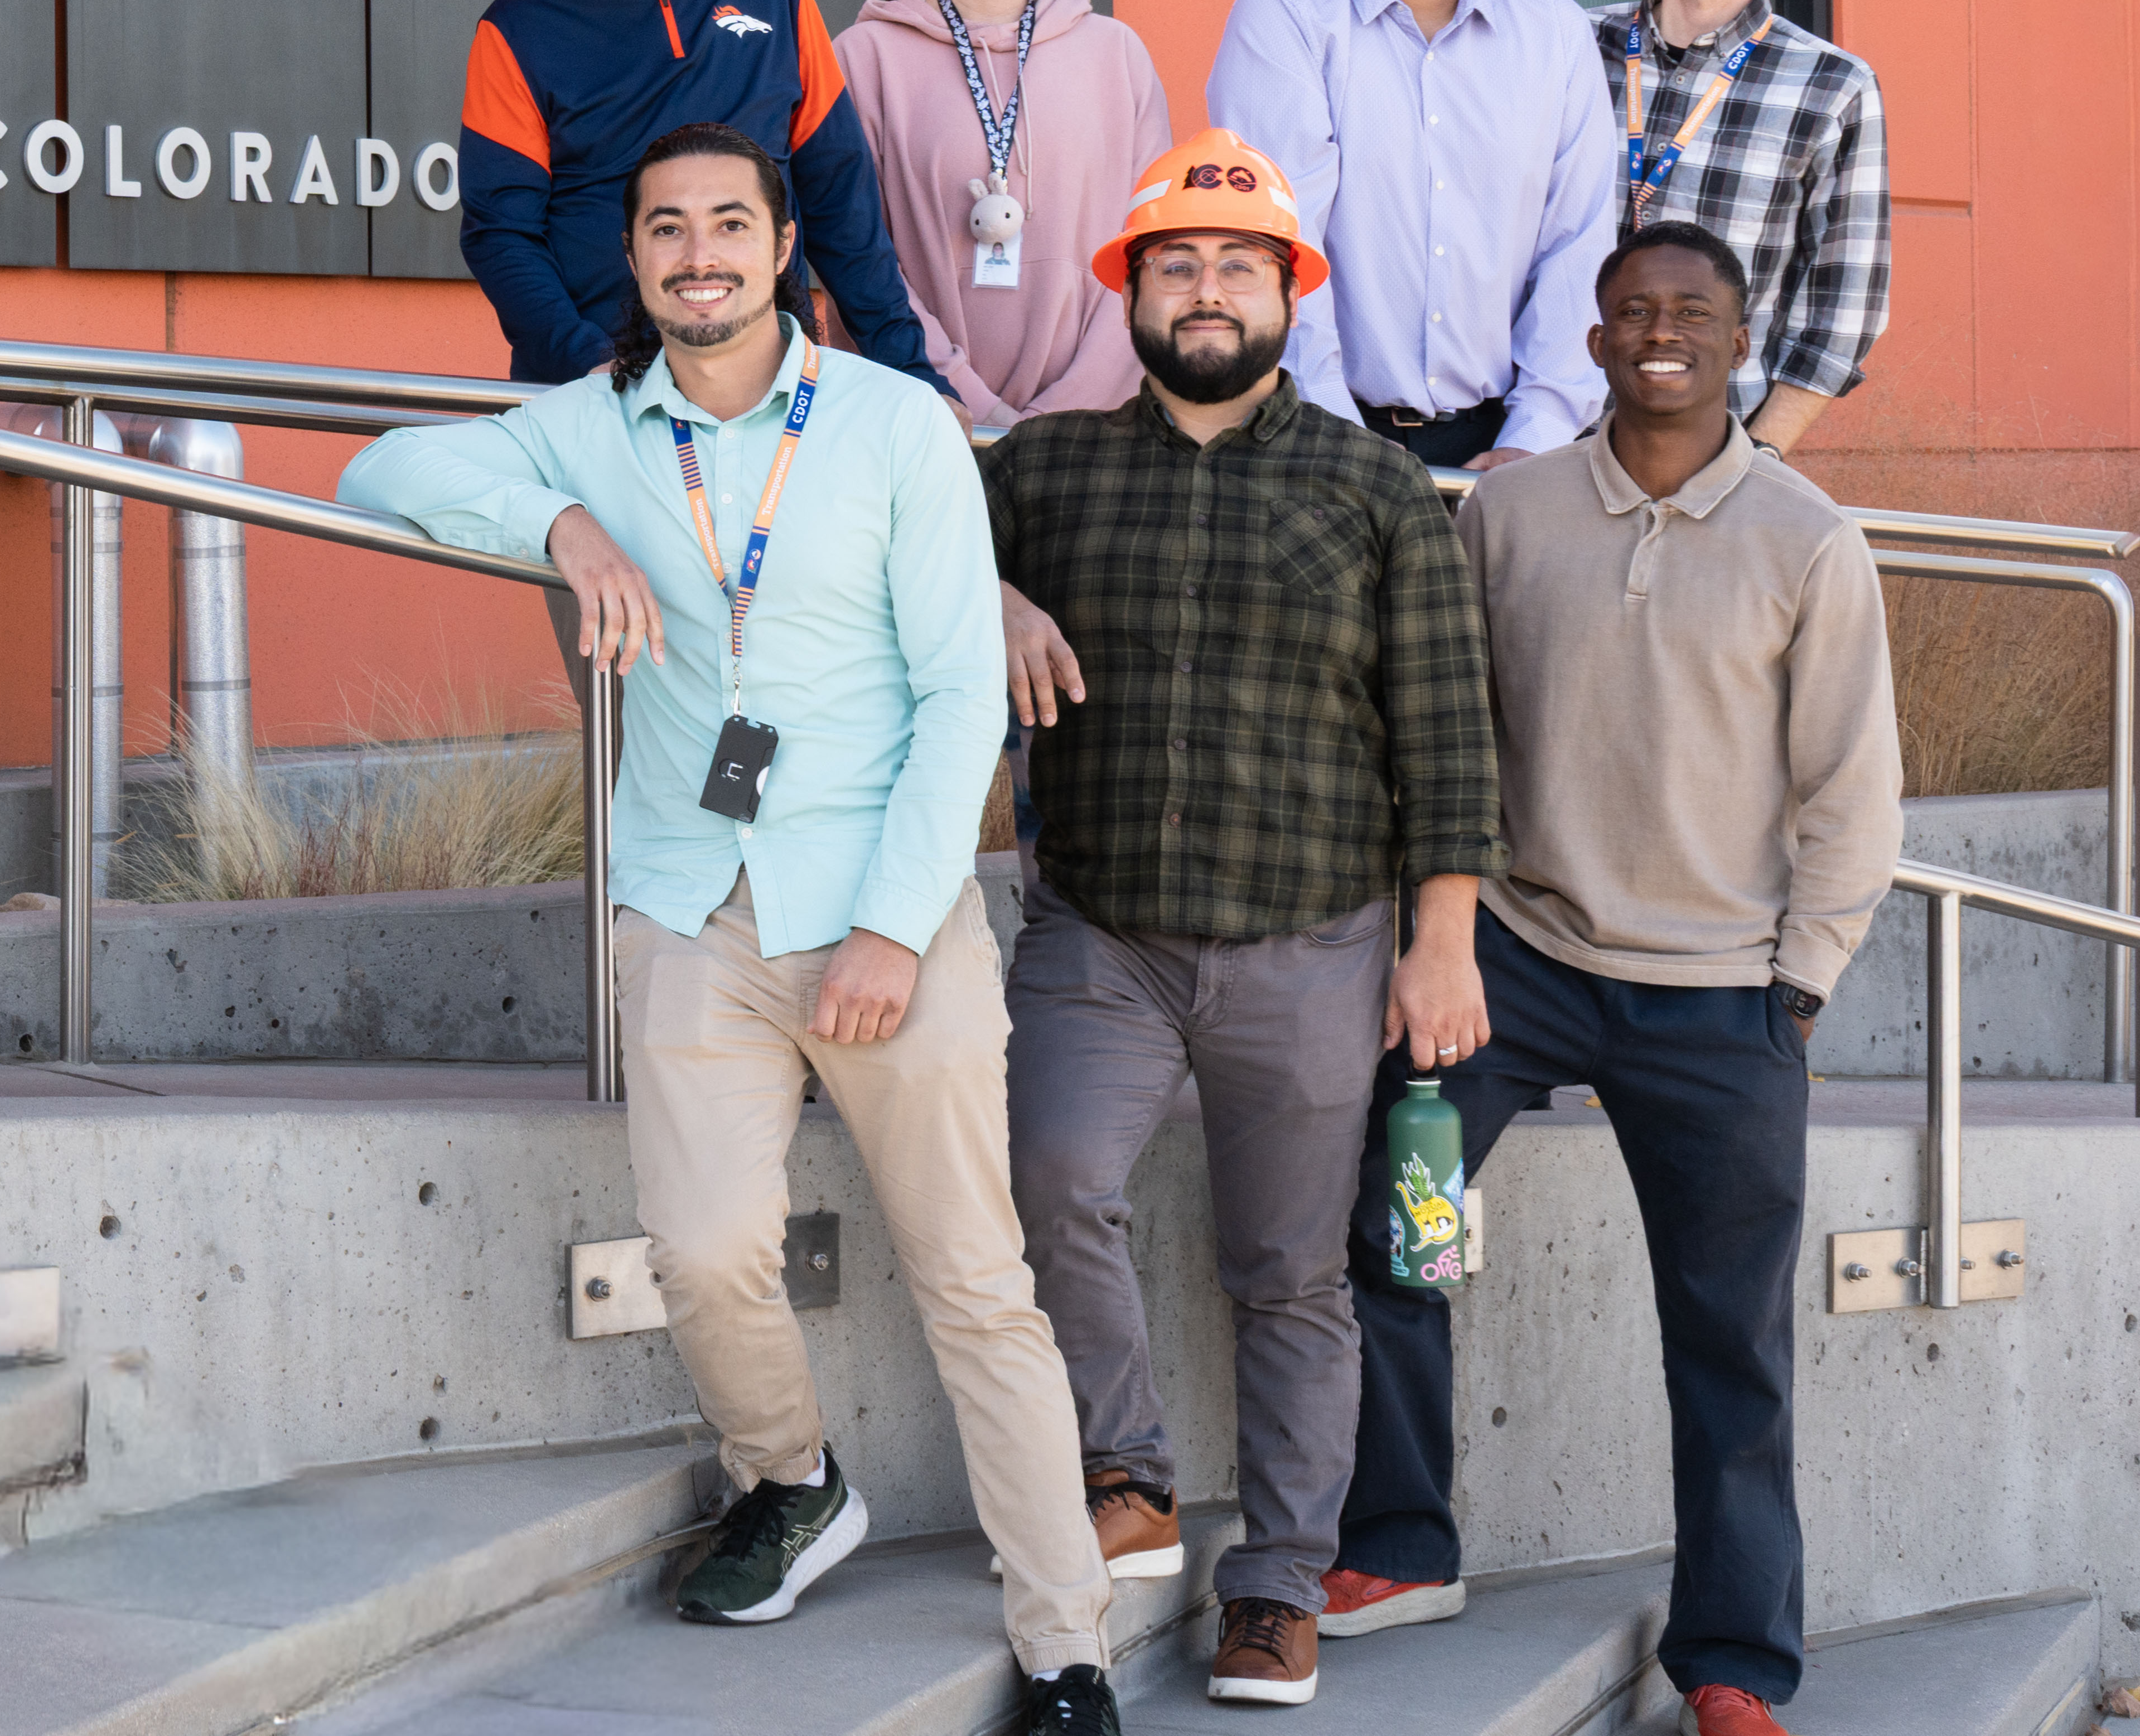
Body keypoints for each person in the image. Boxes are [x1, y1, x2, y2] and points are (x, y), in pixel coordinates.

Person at [342, 124, 1123, 1736]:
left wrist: (896, 931)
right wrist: (557, 530)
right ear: (630, 260)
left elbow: (957, 688)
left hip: (881, 914)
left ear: (782, 249)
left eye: (727, 225)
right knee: (699, 1251)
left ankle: (1065, 1651)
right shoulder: (590, 428)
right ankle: (791, 1477)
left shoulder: (891, 423)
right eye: (662, 229)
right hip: (693, 900)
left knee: (976, 1282)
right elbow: (380, 474)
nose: (696, 253)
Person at [1327, 221, 1899, 1736]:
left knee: (1726, 1339)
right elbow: (1435, 736)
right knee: (1402, 1235)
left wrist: (1800, 983)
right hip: (1510, 973)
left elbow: (1851, 790)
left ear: (1735, 340)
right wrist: (1428, 932)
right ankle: (1398, 1540)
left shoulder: (1804, 537)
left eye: (1691, 313)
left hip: (1719, 1003)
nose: (1660, 333)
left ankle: (1731, 1660)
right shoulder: (1504, 515)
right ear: (1591, 343)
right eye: (1632, 311)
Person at [983, 130, 1503, 1709]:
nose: (1203, 292)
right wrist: (985, 593)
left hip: (1312, 940)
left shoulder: (1375, 489)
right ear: (1126, 288)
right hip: (1102, 934)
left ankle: (1277, 1583)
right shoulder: (1041, 469)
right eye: (1174, 264)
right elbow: (890, 557)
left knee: (1288, 1272)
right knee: (1056, 1178)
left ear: (1288, 291)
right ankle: (1122, 1463)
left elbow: (1446, 730)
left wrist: (1442, 939)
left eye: (1235, 266)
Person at [457, 0, 940, 396]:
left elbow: (839, 201)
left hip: (772, 396)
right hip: (597, 402)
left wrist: (911, 373)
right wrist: (596, 373)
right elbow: (502, 235)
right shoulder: (515, 29)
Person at [1206, 0, 1617, 472]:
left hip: (1505, 444)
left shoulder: (1555, 32)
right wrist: (1333, 437)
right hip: (1314, 431)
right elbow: (1277, 240)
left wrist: (1536, 437)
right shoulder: (1283, 18)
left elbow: (1577, 245)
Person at [835, 0, 1170, 426]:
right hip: (925, 420)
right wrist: (962, 403)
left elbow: (1151, 256)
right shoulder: (863, 59)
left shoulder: (1116, 56)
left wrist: (1065, 418)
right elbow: (856, 256)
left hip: (1092, 433)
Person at [1587, 0, 1888, 456]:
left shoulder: (1832, 83)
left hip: (1716, 449)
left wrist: (1756, 460)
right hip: (1551, 437)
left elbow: (1844, 302)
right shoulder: (1572, 45)